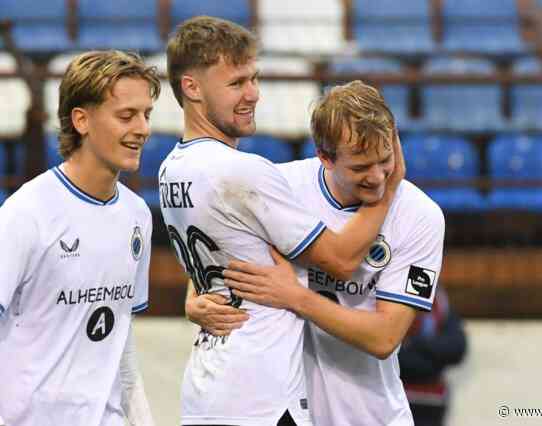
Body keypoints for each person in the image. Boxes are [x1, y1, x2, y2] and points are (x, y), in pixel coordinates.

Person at [161, 17, 404, 426]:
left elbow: (223, 249)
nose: (253, 94)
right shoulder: (243, 172)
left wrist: (193, 299)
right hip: (261, 397)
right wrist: (390, 188)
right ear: (192, 88)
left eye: (254, 78)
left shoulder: (172, 169)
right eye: (237, 83)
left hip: (209, 388)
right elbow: (342, 260)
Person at [188, 80, 446, 426]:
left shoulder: (420, 216)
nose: (378, 178)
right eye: (359, 168)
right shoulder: (280, 186)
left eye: (385, 160)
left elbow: (385, 337)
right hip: (282, 413)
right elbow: (217, 246)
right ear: (323, 156)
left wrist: (296, 297)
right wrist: (193, 297)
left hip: (372, 416)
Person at [0, 50, 159, 426]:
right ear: (81, 120)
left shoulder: (138, 216)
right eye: (126, 115)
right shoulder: (25, 214)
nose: (143, 129)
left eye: (146, 115)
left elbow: (121, 346)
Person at [400, 288, 467, 426]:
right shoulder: (392, 294)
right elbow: (386, 351)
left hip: (432, 402)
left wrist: (414, 342)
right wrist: (432, 352)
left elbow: (456, 348)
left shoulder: (440, 302)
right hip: (397, 398)